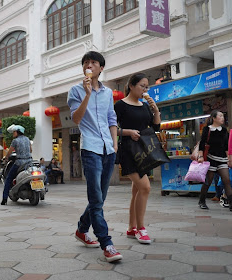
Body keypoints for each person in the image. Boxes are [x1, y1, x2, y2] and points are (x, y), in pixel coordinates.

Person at [67, 51, 122, 262]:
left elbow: (111, 118)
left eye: (93, 62)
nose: (89, 65)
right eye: (86, 63)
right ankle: (106, 243)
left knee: (100, 197)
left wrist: (115, 144)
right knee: (97, 200)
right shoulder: (75, 90)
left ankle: (82, 229)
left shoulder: (108, 92)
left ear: (101, 68)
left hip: (108, 149)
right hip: (90, 148)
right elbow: (76, 118)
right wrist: (87, 94)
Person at [114, 73, 161, 244]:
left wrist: (155, 110)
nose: (145, 89)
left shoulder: (145, 106)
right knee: (145, 188)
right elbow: (110, 128)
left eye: (147, 87)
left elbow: (155, 126)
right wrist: (127, 132)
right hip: (128, 150)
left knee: (136, 190)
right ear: (131, 86)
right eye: (142, 85)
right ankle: (141, 228)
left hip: (143, 151)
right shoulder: (120, 105)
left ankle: (131, 228)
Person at [197, 110, 232, 211]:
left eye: (223, 116)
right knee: (208, 181)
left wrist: (229, 159)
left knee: (226, 180)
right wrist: (200, 156)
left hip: (222, 159)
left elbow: (226, 146)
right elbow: (202, 143)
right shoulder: (207, 129)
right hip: (211, 159)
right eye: (220, 116)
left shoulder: (224, 130)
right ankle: (202, 201)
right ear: (214, 118)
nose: (222, 118)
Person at [1, 124, 32, 205]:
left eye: (14, 132)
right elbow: (31, 150)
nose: (13, 133)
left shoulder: (15, 141)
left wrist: (6, 157)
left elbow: (10, 151)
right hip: (29, 162)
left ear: (18, 132)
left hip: (19, 163)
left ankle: (4, 199)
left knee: (8, 179)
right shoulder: (27, 139)